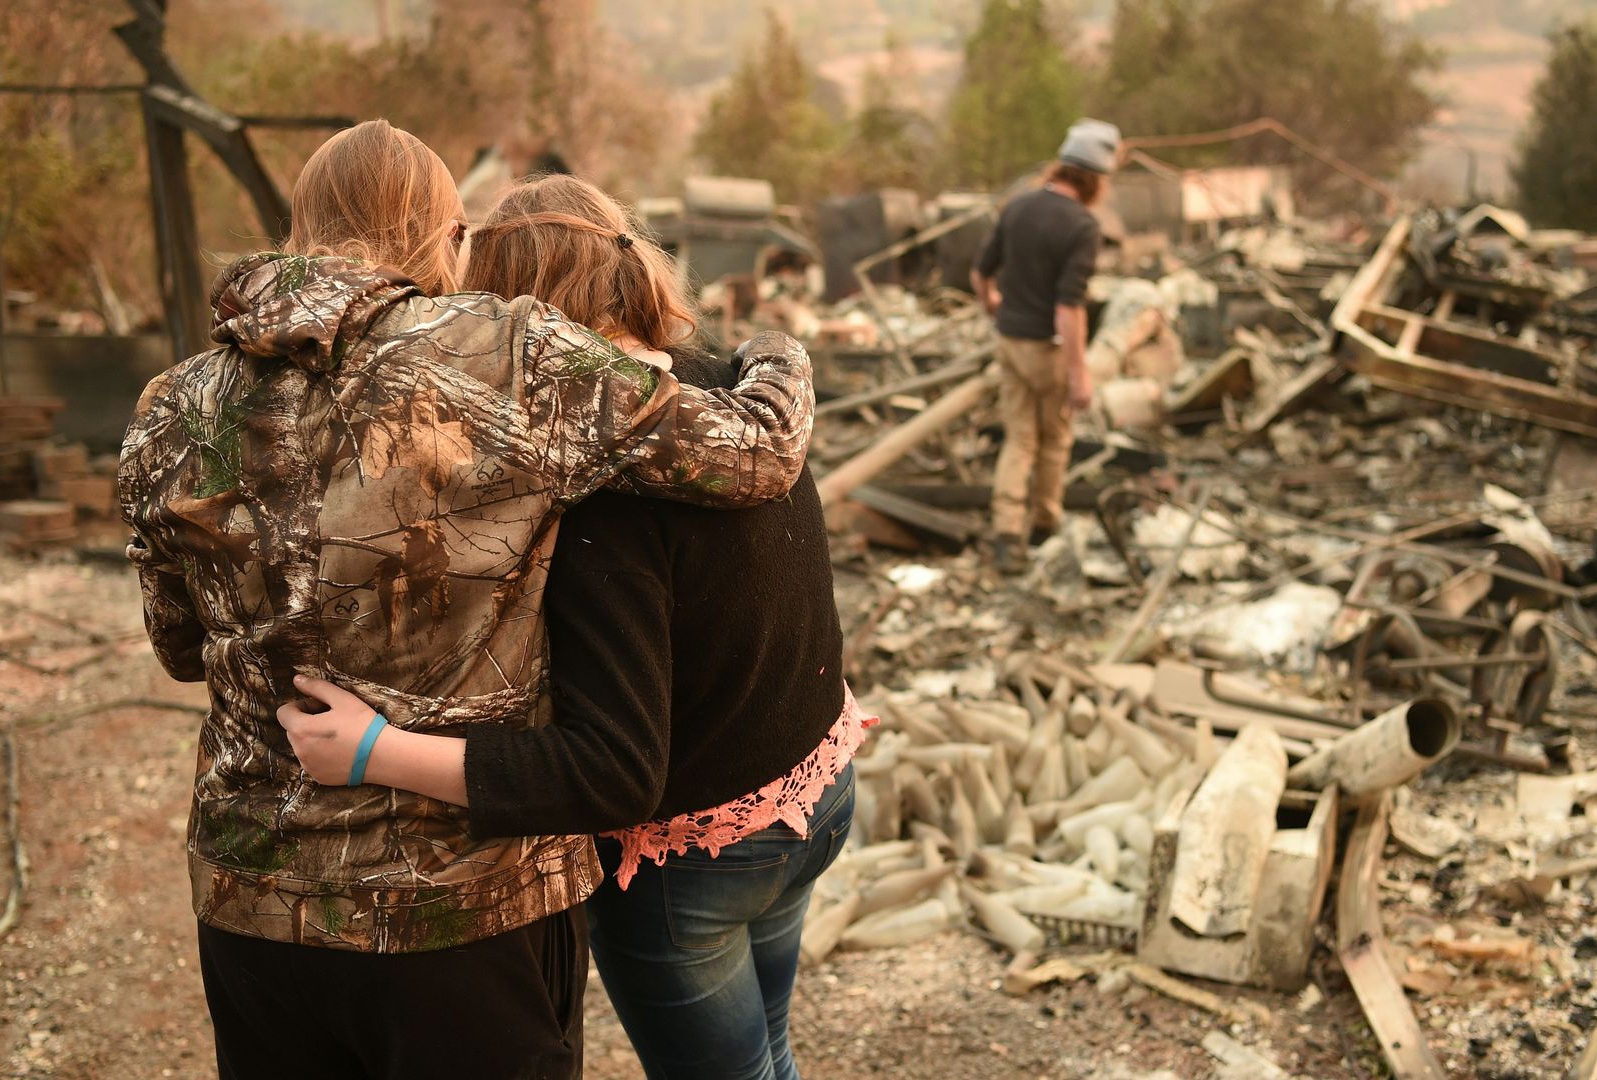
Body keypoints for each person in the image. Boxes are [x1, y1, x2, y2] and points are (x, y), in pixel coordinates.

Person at [116, 121, 815, 1080]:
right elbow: (761, 451)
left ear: (296, 229)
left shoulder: (170, 406)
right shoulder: (506, 356)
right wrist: (777, 349)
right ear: (445, 239)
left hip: (254, 897)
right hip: (461, 910)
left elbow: (178, 643)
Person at [279, 173, 869, 1080]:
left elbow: (610, 771)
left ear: (506, 313)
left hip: (697, 857)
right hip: (818, 790)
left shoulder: (599, 498)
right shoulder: (729, 403)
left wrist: (373, 753)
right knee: (770, 1052)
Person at [971, 118, 1121, 574]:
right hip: (1046, 349)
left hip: (1010, 341)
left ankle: (1006, 536)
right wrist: (1080, 375)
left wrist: (994, 307)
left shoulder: (1016, 208)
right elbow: (1069, 311)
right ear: (1095, 179)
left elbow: (981, 274)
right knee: (1054, 440)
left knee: (1019, 439)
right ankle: (1043, 523)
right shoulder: (1082, 227)